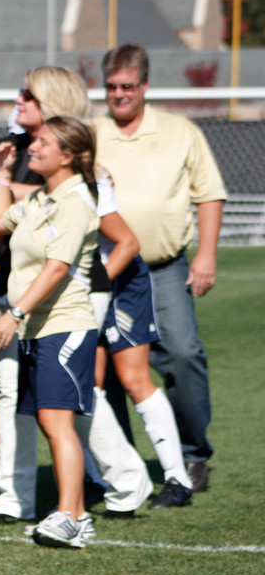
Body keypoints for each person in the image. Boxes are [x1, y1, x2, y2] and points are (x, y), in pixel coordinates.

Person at [93, 43, 227, 492]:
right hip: (106, 268)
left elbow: (208, 193)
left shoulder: (180, 131)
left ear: (145, 86)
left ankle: (193, 456)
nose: (119, 95)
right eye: (111, 87)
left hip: (163, 268)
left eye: (127, 86)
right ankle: (123, 463)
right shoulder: (91, 133)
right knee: (107, 369)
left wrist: (206, 254)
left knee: (183, 355)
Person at [0, 116, 101, 548]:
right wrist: (1, 171)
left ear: (68, 156)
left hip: (64, 325)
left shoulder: (73, 203)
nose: (33, 147)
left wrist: (13, 313)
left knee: (57, 421)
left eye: (43, 142)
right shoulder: (40, 198)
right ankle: (79, 515)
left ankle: (68, 515)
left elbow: (57, 268)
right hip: (39, 327)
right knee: (53, 421)